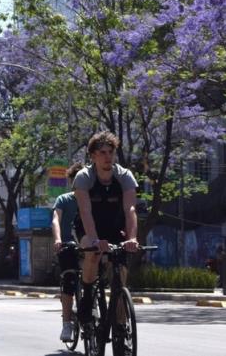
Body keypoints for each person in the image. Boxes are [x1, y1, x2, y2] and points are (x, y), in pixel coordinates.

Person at [72, 131, 139, 325]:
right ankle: (86, 295)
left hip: (114, 227)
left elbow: (130, 209)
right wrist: (94, 240)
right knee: (92, 253)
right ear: (93, 156)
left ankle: (120, 324)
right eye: (102, 152)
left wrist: (132, 238)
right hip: (87, 227)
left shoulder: (124, 176)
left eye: (111, 152)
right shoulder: (84, 177)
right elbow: (85, 211)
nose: (108, 156)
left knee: (120, 270)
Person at [52, 161, 85, 342]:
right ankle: (66, 323)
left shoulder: (93, 199)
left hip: (89, 245)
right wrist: (58, 239)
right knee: (69, 281)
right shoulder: (63, 200)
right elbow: (56, 219)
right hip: (68, 245)